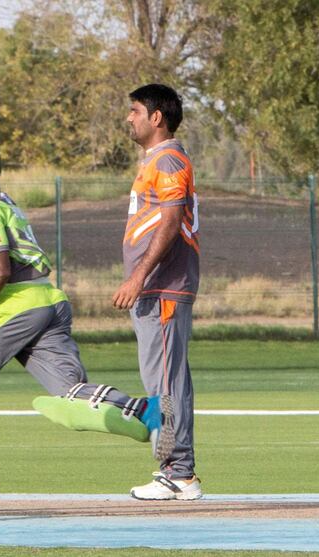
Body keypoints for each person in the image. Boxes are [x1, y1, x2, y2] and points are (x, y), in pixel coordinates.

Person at [0, 137, 174, 506]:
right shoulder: (2, 200)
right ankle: (145, 409)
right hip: (49, 300)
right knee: (70, 390)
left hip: (17, 305)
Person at [112, 83, 201, 500]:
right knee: (166, 379)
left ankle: (177, 470)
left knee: (164, 383)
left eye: (134, 110)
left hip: (162, 287)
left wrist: (138, 277)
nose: (129, 117)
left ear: (156, 117)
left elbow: (170, 221)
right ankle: (179, 470)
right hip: (159, 288)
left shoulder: (167, 159)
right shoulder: (157, 160)